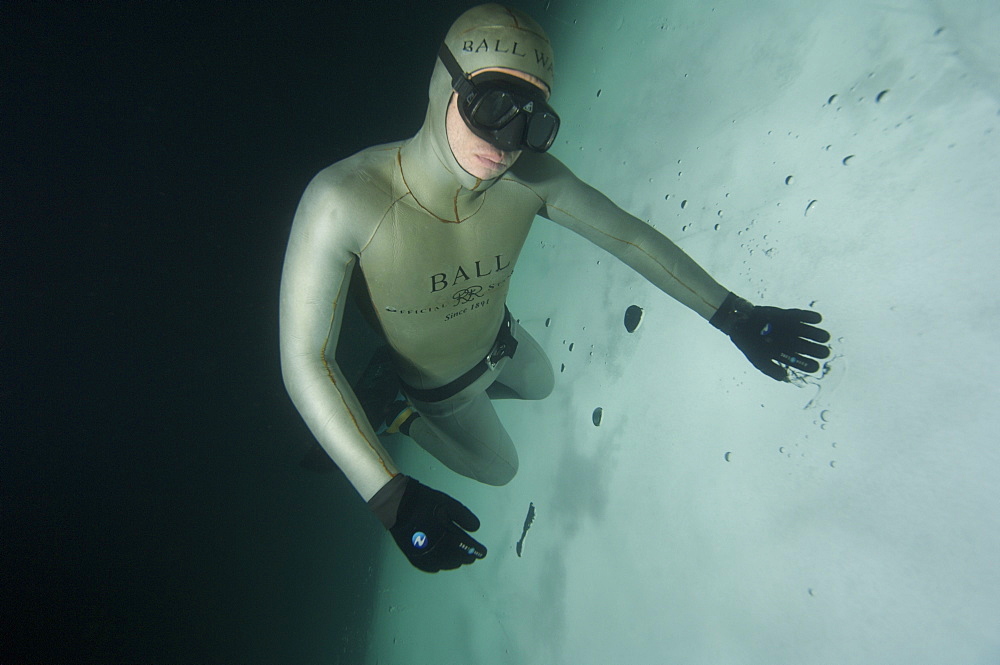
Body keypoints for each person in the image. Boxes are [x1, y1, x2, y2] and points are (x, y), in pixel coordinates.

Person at [279, 4, 831, 573]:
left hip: (503, 341)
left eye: (530, 122)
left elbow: (629, 238)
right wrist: (390, 498)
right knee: (501, 469)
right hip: (441, 389)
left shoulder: (529, 179)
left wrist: (733, 315)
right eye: (491, 106)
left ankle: (397, 393)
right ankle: (397, 411)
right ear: (447, 83)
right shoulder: (344, 200)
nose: (504, 142)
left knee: (542, 385)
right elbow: (304, 360)